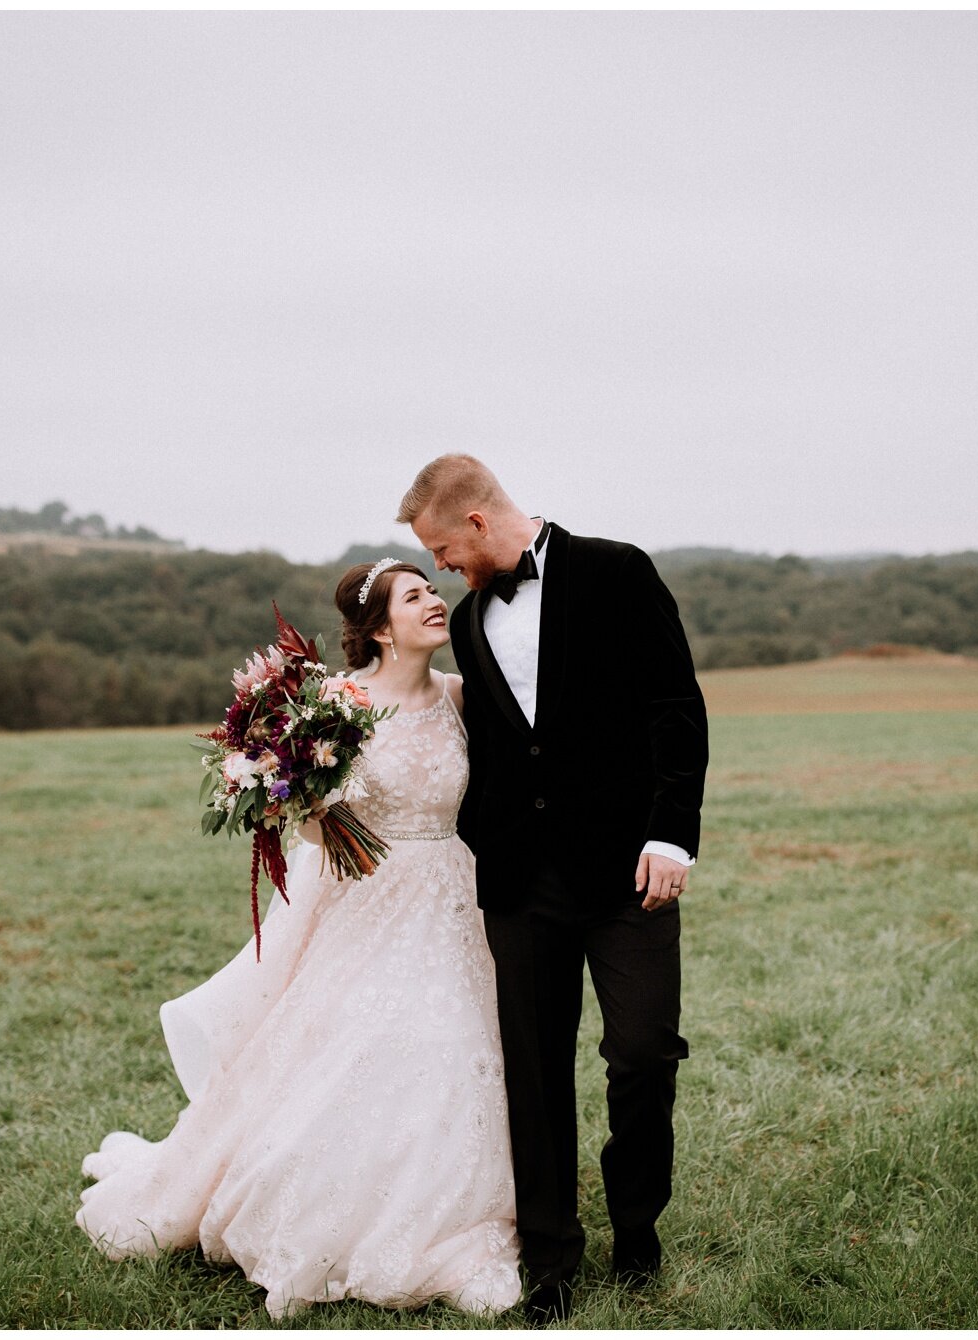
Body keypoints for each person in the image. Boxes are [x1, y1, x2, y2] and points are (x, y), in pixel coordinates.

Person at [75, 560, 521, 1320]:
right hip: (368, 896)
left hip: (453, 890)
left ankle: (457, 1213)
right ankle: (332, 1209)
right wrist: (293, 795)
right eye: (415, 596)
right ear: (379, 627)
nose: (434, 602)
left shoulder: (459, 697)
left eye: (432, 590)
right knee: (365, 1042)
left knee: (458, 1044)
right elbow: (298, 814)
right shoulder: (336, 705)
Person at [402, 455, 708, 1323]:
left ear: (476, 522)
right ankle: (551, 1260)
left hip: (627, 875)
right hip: (519, 882)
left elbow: (676, 708)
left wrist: (670, 834)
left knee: (643, 1054)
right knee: (533, 1072)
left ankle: (638, 1226)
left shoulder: (618, 571)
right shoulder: (466, 623)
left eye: (443, 550)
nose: (444, 570)